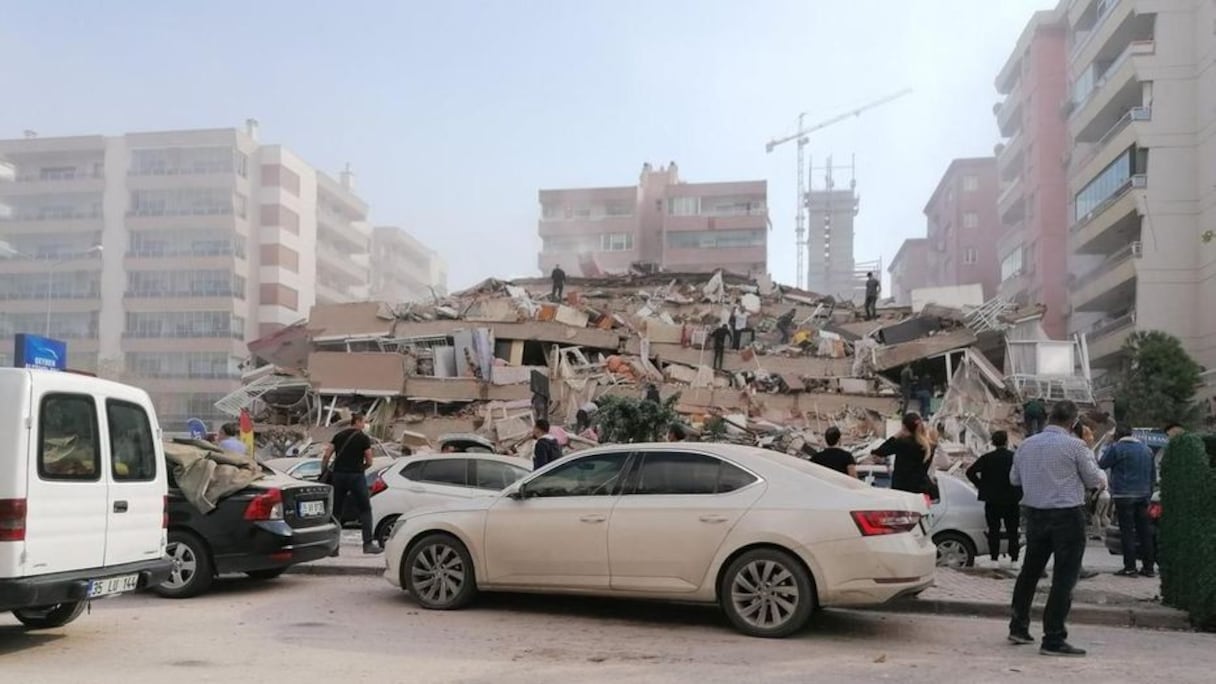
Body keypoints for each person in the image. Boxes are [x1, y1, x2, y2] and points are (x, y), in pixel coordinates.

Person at [1008, 400, 1106, 657]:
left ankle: (1018, 627)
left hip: (1035, 514)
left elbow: (1014, 479)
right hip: (1067, 515)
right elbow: (1094, 480)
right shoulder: (1076, 446)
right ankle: (1053, 637)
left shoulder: (1026, 445)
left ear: (1049, 418)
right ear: (1073, 422)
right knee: (1064, 577)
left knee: (1030, 572)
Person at [1098, 425, 1156, 577]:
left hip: (1124, 495)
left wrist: (1107, 443)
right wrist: (1148, 493)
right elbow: (1152, 474)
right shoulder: (1146, 449)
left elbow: (1102, 464)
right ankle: (1148, 567)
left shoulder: (1116, 448)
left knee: (1127, 532)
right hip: (1143, 495)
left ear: (1117, 435)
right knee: (1145, 532)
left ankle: (1130, 567)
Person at [321, 414, 381, 555]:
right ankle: (367, 545)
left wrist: (324, 470)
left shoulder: (339, 436)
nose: (364, 425)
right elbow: (370, 460)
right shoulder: (363, 438)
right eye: (363, 422)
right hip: (356, 476)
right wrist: (362, 468)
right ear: (357, 422)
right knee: (365, 509)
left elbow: (326, 455)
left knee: (336, 511)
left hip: (339, 476)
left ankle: (334, 547)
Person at [966, 431, 1022, 563]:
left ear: (992, 442)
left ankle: (994, 558)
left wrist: (981, 486)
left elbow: (970, 472)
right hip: (1011, 499)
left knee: (993, 530)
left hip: (992, 500)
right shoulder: (1014, 457)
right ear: (1006, 442)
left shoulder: (987, 458)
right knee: (1012, 531)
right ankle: (1014, 559)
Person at [871, 412, 935, 495]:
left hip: (903, 491)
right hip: (921, 490)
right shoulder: (929, 446)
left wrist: (897, 435)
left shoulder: (902, 443)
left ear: (904, 427)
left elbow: (879, 452)